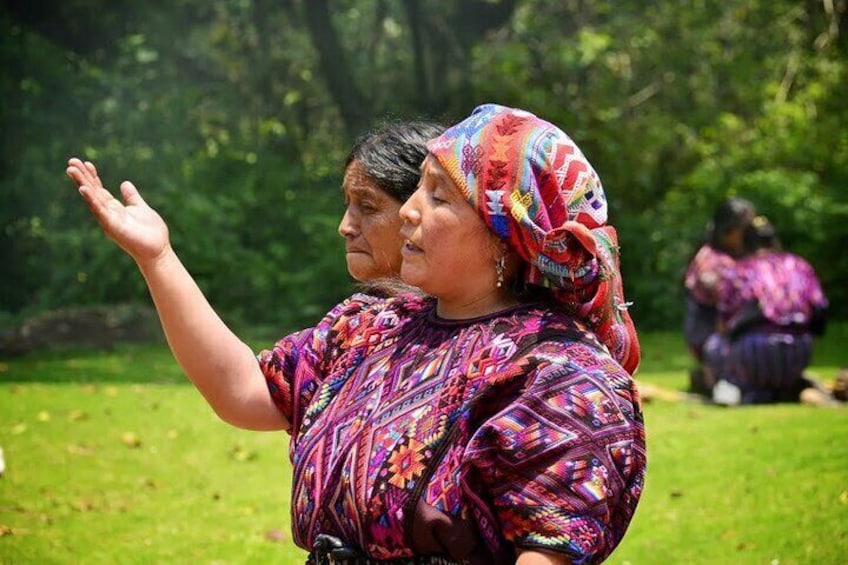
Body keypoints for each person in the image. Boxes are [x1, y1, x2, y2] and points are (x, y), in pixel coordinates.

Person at [66, 103, 645, 564]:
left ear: (504, 233)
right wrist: (158, 257)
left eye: (438, 196)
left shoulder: (561, 376)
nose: (410, 212)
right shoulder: (372, 327)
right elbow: (242, 391)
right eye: (415, 188)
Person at [705, 216, 830, 405]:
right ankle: (790, 387)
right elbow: (820, 313)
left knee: (714, 343)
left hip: (754, 355)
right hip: (799, 351)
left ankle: (732, 389)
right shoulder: (800, 265)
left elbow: (723, 325)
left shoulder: (739, 271)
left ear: (745, 243)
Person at [340, 121, 445, 283]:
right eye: (348, 203)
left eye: (367, 207)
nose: (345, 228)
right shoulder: (361, 308)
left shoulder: (468, 308)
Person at [683, 197, 756, 394]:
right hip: (710, 334)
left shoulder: (744, 257)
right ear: (730, 229)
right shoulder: (710, 259)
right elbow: (727, 300)